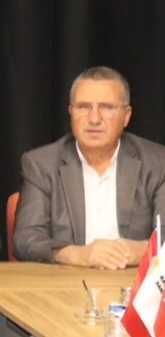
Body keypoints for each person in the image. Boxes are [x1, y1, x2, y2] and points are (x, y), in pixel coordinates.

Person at [15, 65, 165, 267]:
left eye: (107, 107)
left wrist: (143, 251)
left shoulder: (158, 162)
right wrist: (78, 255)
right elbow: (26, 239)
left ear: (126, 115)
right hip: (67, 280)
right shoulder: (41, 164)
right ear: (71, 112)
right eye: (84, 107)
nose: (94, 119)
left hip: (134, 281)